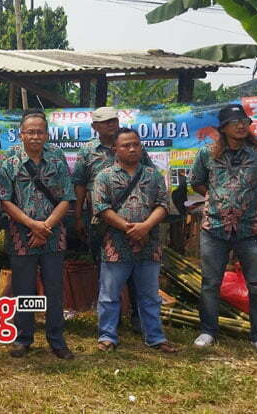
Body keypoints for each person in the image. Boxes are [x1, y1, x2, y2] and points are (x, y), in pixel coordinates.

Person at [189, 105, 257, 354]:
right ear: (223, 127)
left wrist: (246, 203)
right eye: (235, 122)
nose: (241, 125)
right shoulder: (207, 154)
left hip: (251, 229)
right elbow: (197, 182)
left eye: (245, 121)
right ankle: (208, 331)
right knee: (210, 282)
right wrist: (218, 199)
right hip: (215, 228)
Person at [0, 110, 75, 360]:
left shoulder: (57, 161)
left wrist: (45, 227)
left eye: (40, 132)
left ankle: (57, 340)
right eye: (30, 132)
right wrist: (32, 225)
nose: (35, 136)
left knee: (54, 289)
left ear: (47, 135)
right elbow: (5, 201)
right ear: (21, 134)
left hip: (53, 234)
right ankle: (23, 338)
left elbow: (67, 198)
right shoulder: (10, 163)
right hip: (21, 235)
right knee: (24, 289)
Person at [92, 128, 176, 353]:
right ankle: (107, 336)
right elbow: (101, 208)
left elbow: (163, 204)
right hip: (115, 245)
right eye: (126, 145)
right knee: (109, 295)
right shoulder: (104, 176)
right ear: (115, 149)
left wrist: (145, 226)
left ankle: (155, 337)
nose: (132, 149)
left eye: (136, 144)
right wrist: (129, 228)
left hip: (149, 244)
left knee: (150, 295)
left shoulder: (153, 175)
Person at [73, 106, 152, 331]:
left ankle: (139, 318)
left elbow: (150, 178)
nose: (111, 124)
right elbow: (80, 184)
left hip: (135, 220)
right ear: (94, 127)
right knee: (106, 270)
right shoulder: (87, 151)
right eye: (105, 121)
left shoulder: (134, 148)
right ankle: (111, 322)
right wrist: (78, 216)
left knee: (137, 268)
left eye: (114, 120)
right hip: (101, 221)